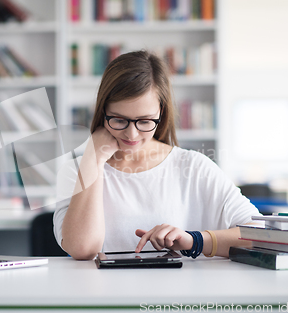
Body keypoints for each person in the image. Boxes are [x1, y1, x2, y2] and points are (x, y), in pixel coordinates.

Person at [53, 50, 260, 260]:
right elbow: (83, 249)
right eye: (118, 119)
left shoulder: (194, 166)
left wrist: (194, 240)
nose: (131, 134)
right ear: (103, 110)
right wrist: (93, 159)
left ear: (161, 112)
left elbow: (262, 236)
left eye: (144, 121)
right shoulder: (74, 171)